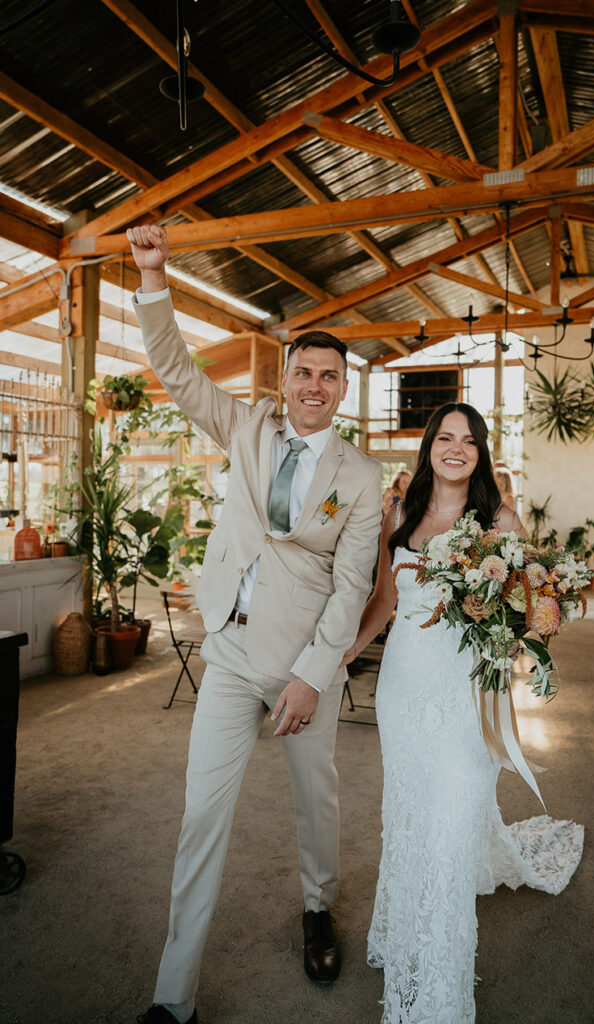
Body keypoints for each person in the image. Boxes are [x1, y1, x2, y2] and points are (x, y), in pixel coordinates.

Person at [127, 224, 383, 1024]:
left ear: (344, 388)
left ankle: (317, 907)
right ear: (287, 376)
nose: (313, 385)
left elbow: (352, 586)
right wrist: (153, 275)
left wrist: (314, 675)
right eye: (302, 371)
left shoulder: (362, 475)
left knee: (318, 807)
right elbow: (174, 368)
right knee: (202, 814)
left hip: (305, 663)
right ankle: (175, 998)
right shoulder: (243, 426)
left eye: (328, 376)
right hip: (231, 655)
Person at [343, 402, 583, 1023]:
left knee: (450, 824)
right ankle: (400, 937)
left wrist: (518, 629)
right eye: (444, 438)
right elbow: (384, 598)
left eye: (468, 440)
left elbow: (526, 603)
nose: (455, 448)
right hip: (402, 688)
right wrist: (344, 653)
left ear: (482, 452)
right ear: (428, 446)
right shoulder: (397, 512)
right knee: (409, 814)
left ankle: (442, 993)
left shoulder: (499, 517)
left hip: (464, 693)